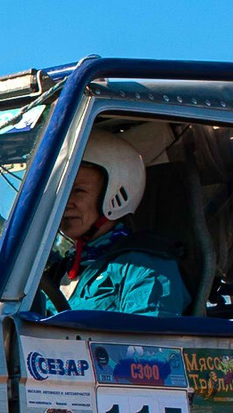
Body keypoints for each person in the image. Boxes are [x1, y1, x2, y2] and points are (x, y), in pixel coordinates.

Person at [48, 132, 191, 316]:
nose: (66, 202)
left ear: (115, 192)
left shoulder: (146, 267)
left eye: (78, 191)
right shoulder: (58, 271)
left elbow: (149, 332)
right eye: (62, 191)